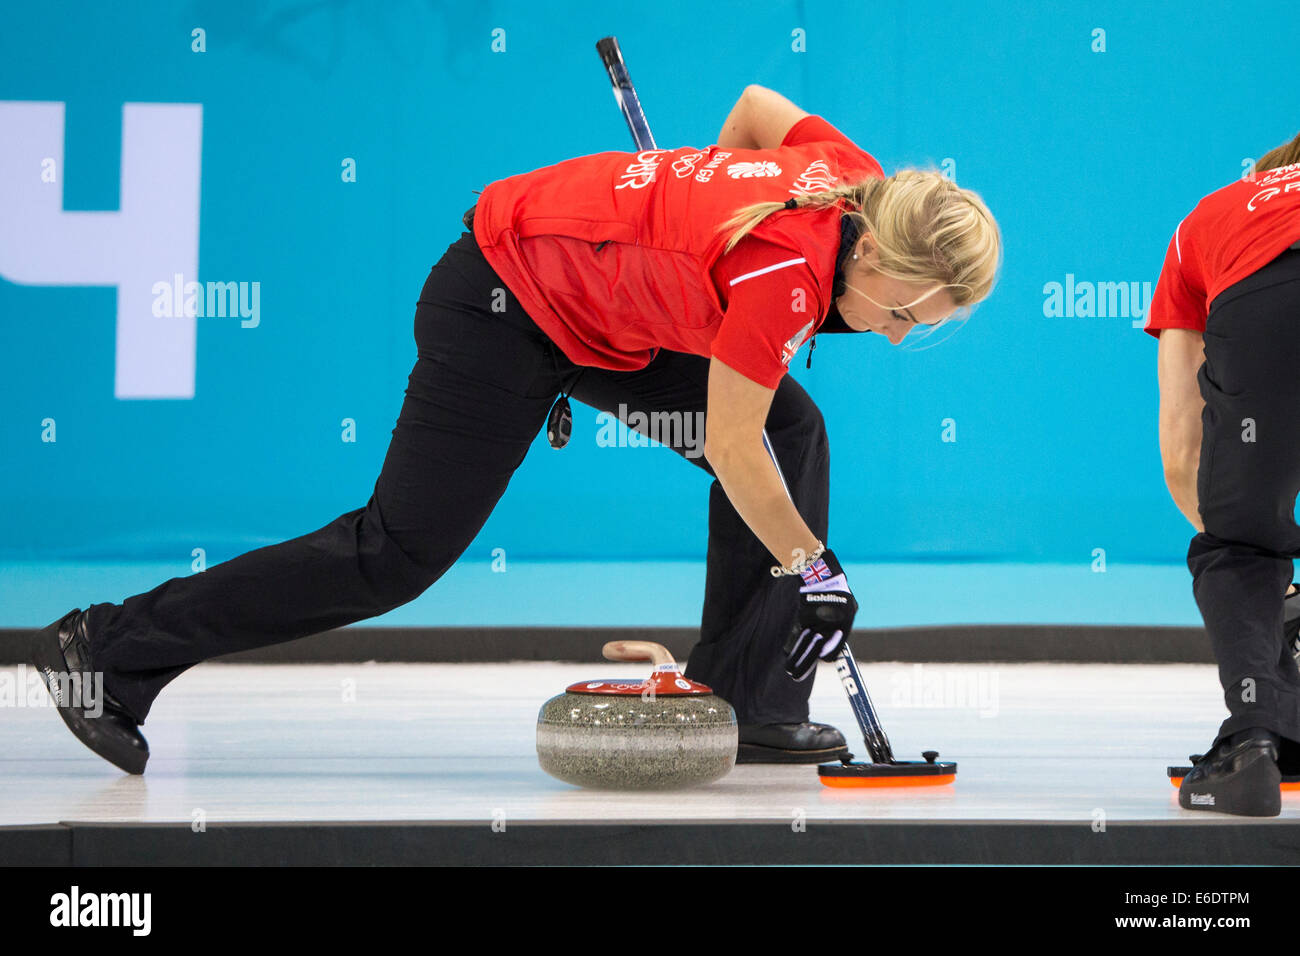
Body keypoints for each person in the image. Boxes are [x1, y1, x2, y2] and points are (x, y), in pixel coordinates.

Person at [29, 85, 1001, 774]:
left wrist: (678, 201)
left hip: (595, 307)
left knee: (796, 428)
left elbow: (751, 107)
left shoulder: (851, 176)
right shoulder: (783, 274)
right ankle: (108, 649)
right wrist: (816, 568)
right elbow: (730, 444)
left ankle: (747, 705)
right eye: (904, 312)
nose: (896, 333)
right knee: (395, 551)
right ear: (871, 247)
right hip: (501, 302)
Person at [1147, 130, 1300, 816]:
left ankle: (1251, 751)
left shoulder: (1209, 217)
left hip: (1264, 301)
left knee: (1238, 542)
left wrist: (1258, 563)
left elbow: (1183, 450)